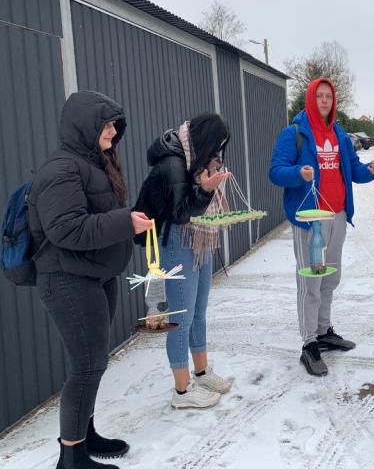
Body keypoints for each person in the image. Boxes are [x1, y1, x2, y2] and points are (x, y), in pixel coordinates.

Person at [28, 91, 153, 469]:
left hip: (95, 275)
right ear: (85, 124)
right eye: (106, 123)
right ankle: (71, 456)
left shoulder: (94, 165)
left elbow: (97, 220)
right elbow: (66, 229)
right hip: (67, 280)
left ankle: (85, 433)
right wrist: (124, 221)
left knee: (94, 362)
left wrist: (130, 225)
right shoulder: (61, 169)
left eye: (116, 124)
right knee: (86, 365)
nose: (113, 131)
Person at [269, 77, 374, 376]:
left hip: (338, 215)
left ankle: (323, 331)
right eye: (319, 96)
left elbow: (353, 169)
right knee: (310, 282)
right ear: (310, 98)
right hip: (310, 219)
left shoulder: (340, 134)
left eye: (328, 96)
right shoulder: (294, 134)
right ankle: (309, 344)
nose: (324, 101)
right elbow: (275, 172)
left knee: (330, 278)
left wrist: (369, 170)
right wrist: (298, 172)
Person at [133, 113, 233, 407]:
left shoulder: (192, 157)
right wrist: (205, 190)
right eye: (216, 146)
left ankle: (201, 372)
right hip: (177, 240)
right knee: (181, 318)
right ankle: (182, 391)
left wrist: (206, 184)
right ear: (203, 139)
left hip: (200, 238)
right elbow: (179, 213)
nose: (217, 153)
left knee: (199, 311)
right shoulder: (172, 163)